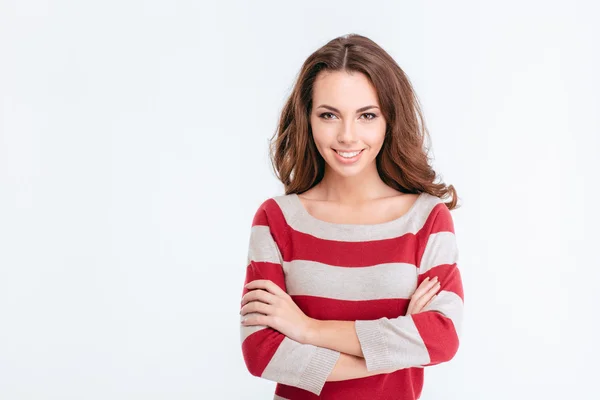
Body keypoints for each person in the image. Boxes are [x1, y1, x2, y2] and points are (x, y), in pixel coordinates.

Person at [239, 33, 464, 400]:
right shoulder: (277, 219)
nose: (347, 135)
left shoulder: (427, 219)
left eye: (367, 115)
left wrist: (307, 329)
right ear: (307, 118)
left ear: (389, 119)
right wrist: (395, 349)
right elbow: (262, 352)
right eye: (329, 115)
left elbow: (441, 337)